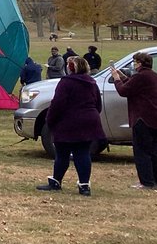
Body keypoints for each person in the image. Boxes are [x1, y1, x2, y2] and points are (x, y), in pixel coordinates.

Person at [36, 57, 105, 196]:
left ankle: (56, 181)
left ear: (71, 68)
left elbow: (57, 104)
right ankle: (84, 185)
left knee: (62, 153)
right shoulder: (92, 82)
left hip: (68, 123)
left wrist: (50, 120)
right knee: (83, 153)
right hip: (89, 121)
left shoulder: (66, 83)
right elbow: (98, 104)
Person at [111, 53, 157, 189]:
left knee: (142, 151)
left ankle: (147, 182)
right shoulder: (154, 76)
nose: (134, 65)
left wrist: (117, 79)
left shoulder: (140, 76)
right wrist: (124, 77)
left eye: (135, 62)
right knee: (155, 151)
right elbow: (134, 86)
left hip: (143, 118)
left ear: (140, 63)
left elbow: (124, 91)